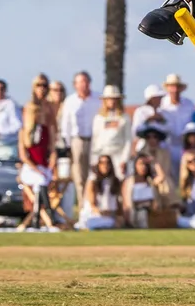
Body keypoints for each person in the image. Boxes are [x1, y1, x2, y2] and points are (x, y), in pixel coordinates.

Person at [19, 77, 56, 215]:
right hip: (31, 166)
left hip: (44, 165)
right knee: (40, 180)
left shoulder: (46, 132)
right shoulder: (25, 133)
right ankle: (47, 213)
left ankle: (38, 217)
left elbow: (52, 148)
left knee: (43, 180)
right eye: (39, 86)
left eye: (45, 86)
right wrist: (35, 168)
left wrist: (52, 162)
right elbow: (24, 156)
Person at [57, 72, 96, 201]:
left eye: (85, 82)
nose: (83, 85)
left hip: (94, 141)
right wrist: (68, 146)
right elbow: (66, 125)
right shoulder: (70, 101)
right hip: (77, 141)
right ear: (75, 85)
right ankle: (82, 206)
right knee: (79, 177)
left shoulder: (97, 99)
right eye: (80, 82)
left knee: (94, 174)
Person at [90, 85, 131, 177]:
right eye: (109, 99)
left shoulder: (124, 118)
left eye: (114, 99)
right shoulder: (99, 118)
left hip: (118, 155)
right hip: (102, 155)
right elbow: (95, 139)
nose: (112, 101)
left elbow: (128, 140)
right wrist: (93, 160)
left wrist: (124, 159)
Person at [123, 153, 171, 229]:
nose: (143, 167)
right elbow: (126, 200)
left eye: (145, 164)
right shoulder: (130, 181)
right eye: (140, 164)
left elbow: (162, 177)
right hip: (135, 210)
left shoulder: (149, 180)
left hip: (149, 211)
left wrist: (155, 162)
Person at [77, 154, 123, 230]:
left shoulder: (115, 181)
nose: (105, 165)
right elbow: (93, 206)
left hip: (110, 215)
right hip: (94, 216)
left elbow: (117, 203)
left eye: (107, 163)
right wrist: (103, 213)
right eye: (102, 163)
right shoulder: (93, 181)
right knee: (110, 222)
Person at [158, 74, 195, 166]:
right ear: (168, 88)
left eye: (177, 86)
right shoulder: (161, 105)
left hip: (185, 147)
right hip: (166, 147)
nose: (175, 90)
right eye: (172, 86)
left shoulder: (189, 104)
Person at [0, 79, 21, 160]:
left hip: (8, 147)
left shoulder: (11, 105)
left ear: (5, 90)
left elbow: (18, 125)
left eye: (1, 89)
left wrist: (1, 134)